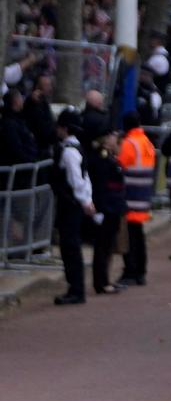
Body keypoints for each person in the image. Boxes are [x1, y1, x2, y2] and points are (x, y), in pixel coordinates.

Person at [81, 111, 126, 295]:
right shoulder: (100, 159)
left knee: (107, 247)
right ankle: (101, 282)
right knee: (102, 247)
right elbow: (100, 186)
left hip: (113, 206)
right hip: (106, 207)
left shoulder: (108, 157)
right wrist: (99, 209)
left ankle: (105, 279)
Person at [50, 109, 91, 305]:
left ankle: (76, 289)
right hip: (74, 204)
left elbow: (77, 181)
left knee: (70, 247)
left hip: (70, 205)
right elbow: (84, 179)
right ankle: (76, 288)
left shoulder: (69, 152)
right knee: (71, 247)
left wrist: (84, 201)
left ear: (64, 128)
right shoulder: (76, 148)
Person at [116, 111, 156, 288]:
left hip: (130, 197)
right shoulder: (146, 141)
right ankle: (140, 272)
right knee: (138, 236)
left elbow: (120, 165)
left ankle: (131, 271)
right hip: (143, 196)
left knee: (130, 238)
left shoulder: (128, 143)